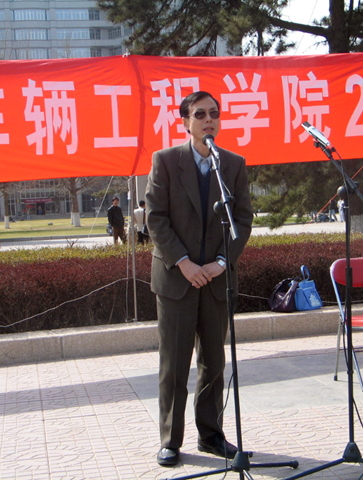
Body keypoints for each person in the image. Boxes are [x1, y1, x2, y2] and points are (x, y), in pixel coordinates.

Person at [145, 91, 254, 467]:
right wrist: (184, 263)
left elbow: (242, 219)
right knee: (174, 364)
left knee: (213, 362)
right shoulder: (165, 160)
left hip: (216, 278)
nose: (209, 119)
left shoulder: (232, 164)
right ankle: (170, 440)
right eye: (200, 114)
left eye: (214, 114)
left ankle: (211, 435)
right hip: (177, 279)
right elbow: (155, 218)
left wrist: (222, 262)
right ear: (185, 122)